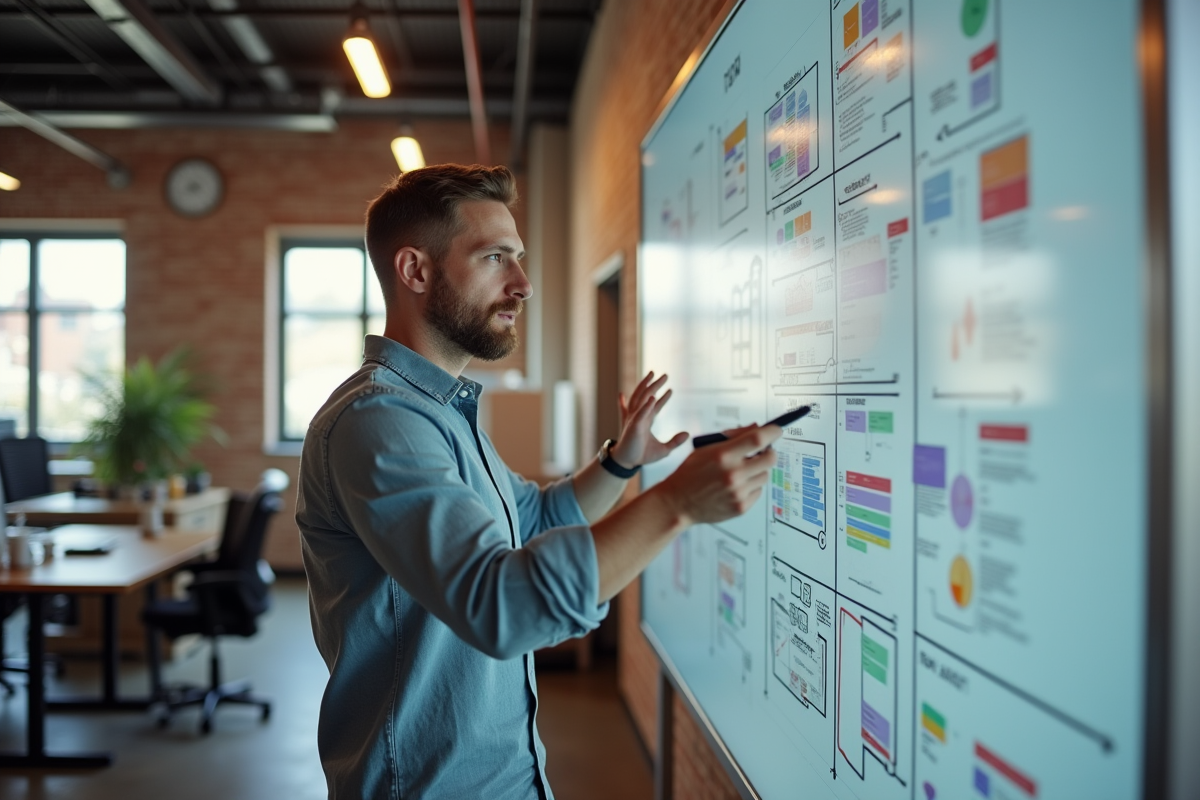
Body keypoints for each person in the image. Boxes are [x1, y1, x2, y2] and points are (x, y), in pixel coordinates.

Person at [296, 163, 781, 799]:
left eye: (518, 258)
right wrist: (677, 504)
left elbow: (533, 519)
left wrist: (621, 462)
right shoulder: (380, 422)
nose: (522, 284)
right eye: (495, 258)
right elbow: (501, 606)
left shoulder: (440, 412)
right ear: (415, 271)